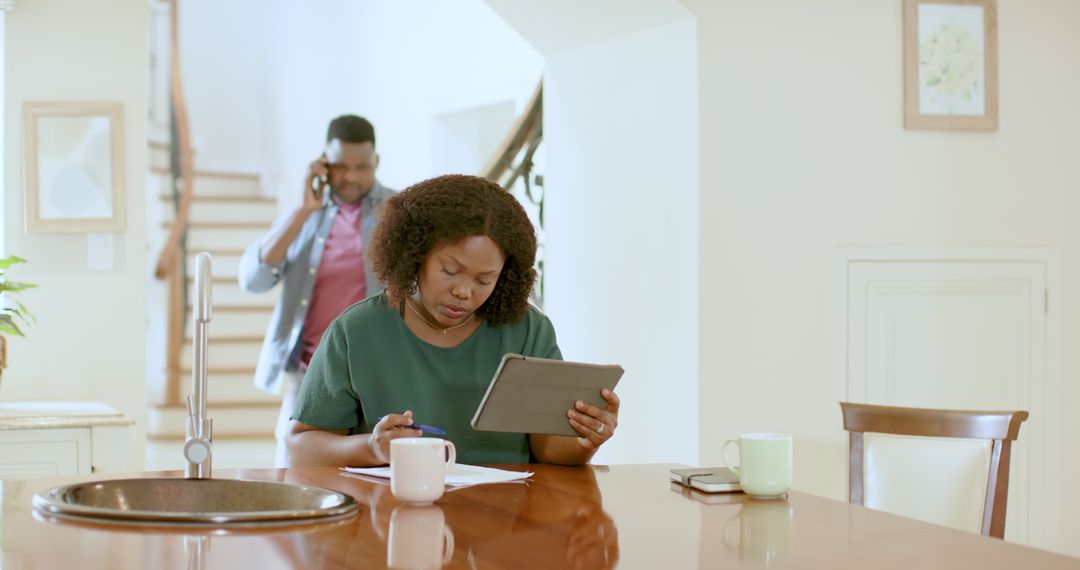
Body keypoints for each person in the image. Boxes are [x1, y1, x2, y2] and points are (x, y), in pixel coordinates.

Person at [287, 174, 621, 466]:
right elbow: (302, 448)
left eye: (484, 280)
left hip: (505, 515)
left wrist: (585, 441)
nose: (463, 291)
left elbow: (548, 448)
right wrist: (372, 448)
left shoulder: (528, 331)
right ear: (415, 254)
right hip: (393, 513)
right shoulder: (357, 330)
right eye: (450, 270)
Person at [238, 115, 395, 467]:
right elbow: (253, 280)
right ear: (323, 163)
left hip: (376, 372)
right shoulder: (304, 215)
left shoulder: (397, 211)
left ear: (376, 162)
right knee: (294, 470)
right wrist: (303, 209)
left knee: (372, 474)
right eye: (340, 166)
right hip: (309, 373)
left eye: (362, 167)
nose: (351, 177)